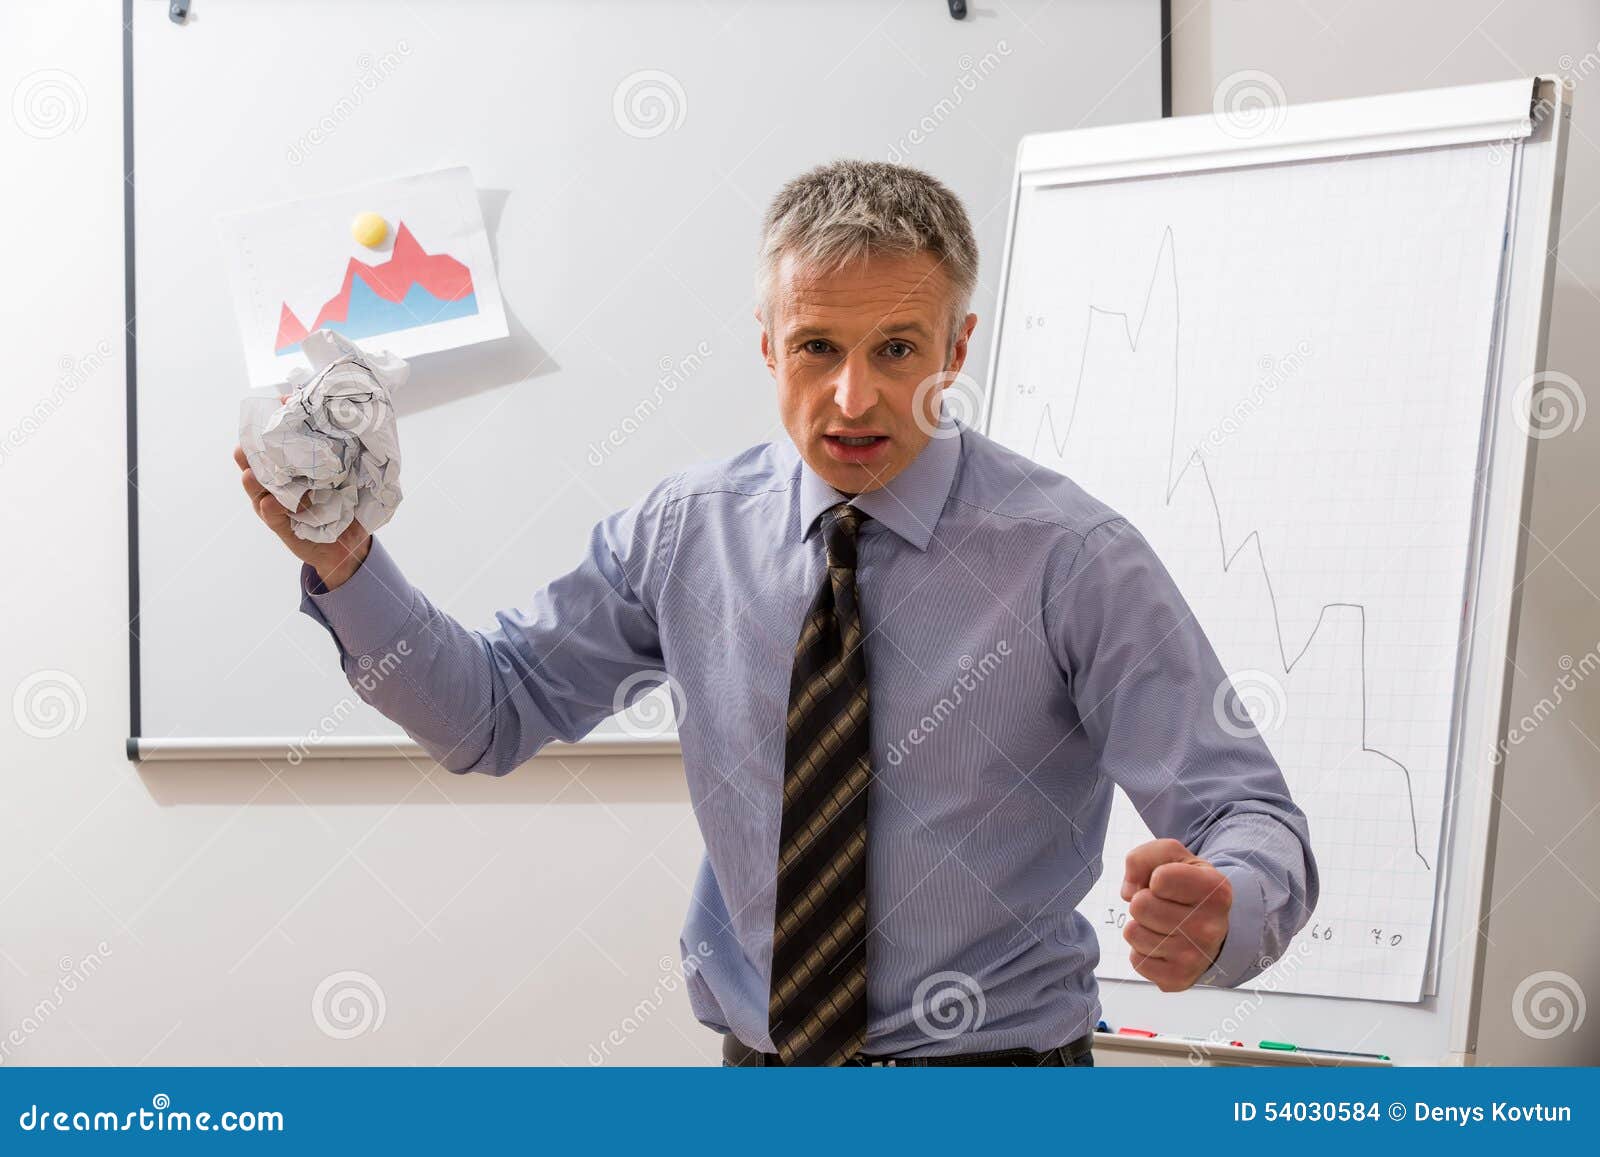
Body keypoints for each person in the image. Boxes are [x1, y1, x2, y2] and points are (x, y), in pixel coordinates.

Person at [235, 159, 1318, 1068]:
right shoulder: (685, 532)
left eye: (896, 348)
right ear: (766, 343)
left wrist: (1226, 903)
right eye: (816, 347)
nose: (852, 397)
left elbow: (1248, 811)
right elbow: (488, 714)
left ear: (955, 349)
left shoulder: (1072, 559)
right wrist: (348, 563)